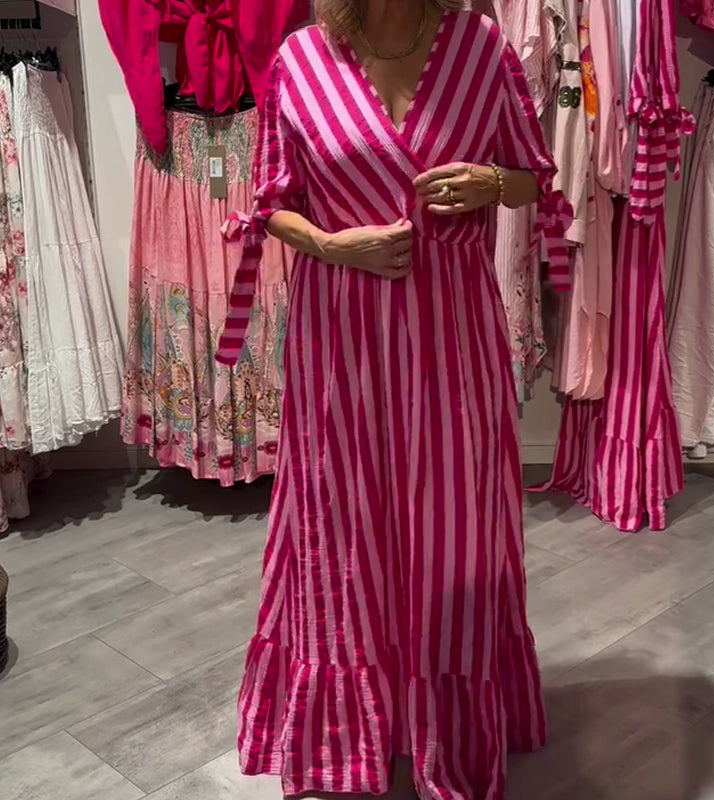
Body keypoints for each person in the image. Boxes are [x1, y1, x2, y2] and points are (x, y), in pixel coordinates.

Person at [217, 1, 571, 797]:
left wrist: (491, 182)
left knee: (456, 530)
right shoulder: (300, 61)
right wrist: (331, 243)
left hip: (454, 338)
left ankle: (446, 721)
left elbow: (534, 177)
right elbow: (269, 205)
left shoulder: (481, 48)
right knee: (342, 523)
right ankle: (347, 728)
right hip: (339, 341)